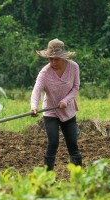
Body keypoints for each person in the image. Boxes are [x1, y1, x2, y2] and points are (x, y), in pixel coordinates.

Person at [30, 38, 82, 171]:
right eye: (50, 59)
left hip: (68, 110)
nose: (53, 62)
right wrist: (34, 106)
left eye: (56, 59)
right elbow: (37, 90)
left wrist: (65, 100)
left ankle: (79, 178)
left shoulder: (73, 67)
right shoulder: (45, 72)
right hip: (50, 110)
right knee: (53, 143)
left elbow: (75, 87)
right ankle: (48, 176)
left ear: (63, 57)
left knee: (72, 144)